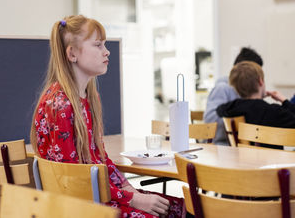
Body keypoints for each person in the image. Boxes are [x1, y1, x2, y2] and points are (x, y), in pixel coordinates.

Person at [30, 15, 185, 217]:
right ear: (72, 54)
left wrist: (131, 191)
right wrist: (135, 199)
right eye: (98, 45)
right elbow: (76, 181)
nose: (107, 51)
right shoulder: (61, 104)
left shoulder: (87, 99)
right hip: (81, 206)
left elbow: (101, 160)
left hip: (96, 196)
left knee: (182, 207)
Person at [203, 47, 263, 145]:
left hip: (240, 144)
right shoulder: (223, 88)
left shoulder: (249, 93)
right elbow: (210, 122)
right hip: (221, 145)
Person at [216, 61, 295, 134]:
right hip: (267, 150)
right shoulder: (272, 111)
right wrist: (284, 101)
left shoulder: (231, 108)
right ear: (261, 81)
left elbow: (219, 109)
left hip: (242, 149)